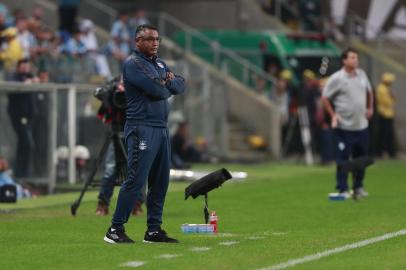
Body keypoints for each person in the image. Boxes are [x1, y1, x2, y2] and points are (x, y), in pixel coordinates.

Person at [104, 24, 185, 244]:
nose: (155, 43)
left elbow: (180, 84)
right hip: (142, 127)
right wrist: (167, 82)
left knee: (160, 181)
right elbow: (158, 90)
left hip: (160, 127)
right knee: (136, 179)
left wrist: (166, 82)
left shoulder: (158, 63)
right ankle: (115, 229)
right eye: (149, 39)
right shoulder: (133, 63)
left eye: (157, 39)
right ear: (137, 41)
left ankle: (153, 230)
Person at [322, 48, 374, 199]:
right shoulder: (337, 78)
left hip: (361, 125)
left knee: (361, 158)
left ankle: (358, 186)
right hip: (344, 127)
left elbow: (370, 92)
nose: (355, 60)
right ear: (344, 60)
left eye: (356, 58)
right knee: (343, 159)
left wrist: (370, 108)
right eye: (352, 58)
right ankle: (342, 189)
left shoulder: (362, 75)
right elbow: (325, 98)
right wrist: (333, 115)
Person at [375, 72, 397, 158]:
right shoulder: (382, 89)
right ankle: (381, 152)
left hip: (389, 114)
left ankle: (391, 152)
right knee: (384, 134)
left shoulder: (386, 88)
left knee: (389, 134)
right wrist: (392, 97)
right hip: (384, 114)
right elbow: (387, 102)